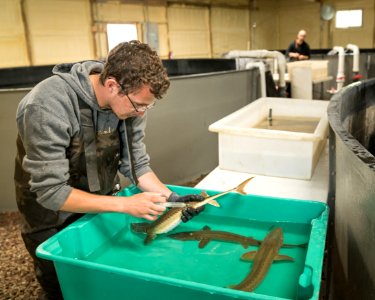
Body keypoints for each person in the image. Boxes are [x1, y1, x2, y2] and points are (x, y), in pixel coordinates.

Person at [14, 40, 204, 299]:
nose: (141, 113)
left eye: (148, 106)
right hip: (49, 215)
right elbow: (51, 193)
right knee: (62, 283)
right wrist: (126, 205)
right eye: (139, 105)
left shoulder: (131, 103)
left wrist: (172, 198)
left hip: (101, 200)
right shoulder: (47, 106)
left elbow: (137, 164)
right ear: (113, 85)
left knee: (100, 279)